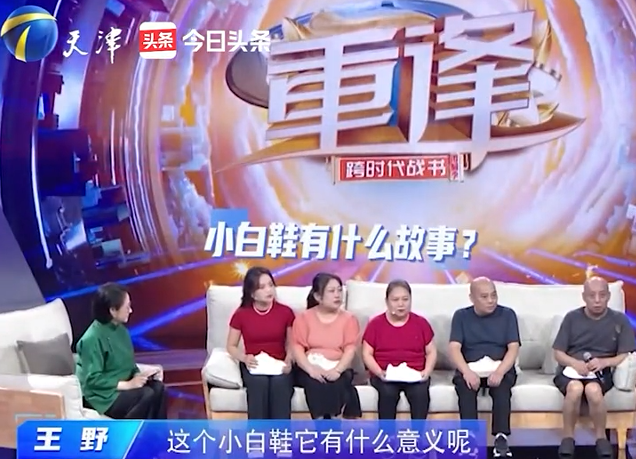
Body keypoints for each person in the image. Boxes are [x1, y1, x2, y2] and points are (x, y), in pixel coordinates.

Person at [552, 276, 636, 458]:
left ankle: (601, 439)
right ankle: (568, 438)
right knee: (574, 389)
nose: (597, 300)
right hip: (571, 370)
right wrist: (574, 363)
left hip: (600, 372)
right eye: (592, 296)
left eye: (602, 295)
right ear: (584, 297)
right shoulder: (572, 318)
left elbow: (625, 354)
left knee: (593, 390)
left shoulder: (619, 320)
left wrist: (605, 362)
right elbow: (558, 353)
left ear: (608, 296)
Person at [448, 277, 520, 458]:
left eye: (494, 295)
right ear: (472, 298)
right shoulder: (461, 316)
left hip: (499, 366)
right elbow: (454, 348)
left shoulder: (508, 315)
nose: (491, 301)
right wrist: (466, 372)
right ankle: (470, 438)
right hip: (471, 367)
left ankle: (501, 438)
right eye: (485, 296)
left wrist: (500, 371)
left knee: (502, 388)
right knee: (465, 387)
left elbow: (513, 347)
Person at [76, 283, 167, 419]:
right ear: (113, 310)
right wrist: (128, 385)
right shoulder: (91, 339)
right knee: (146, 395)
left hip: (123, 385)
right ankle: (130, 432)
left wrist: (140, 375)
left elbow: (128, 363)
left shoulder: (121, 330)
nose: (130, 310)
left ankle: (158, 431)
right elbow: (93, 380)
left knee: (159, 388)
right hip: (102, 396)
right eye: (127, 307)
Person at [226, 266, 295, 419]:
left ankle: (280, 434)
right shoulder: (241, 315)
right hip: (254, 364)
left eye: (271, 285)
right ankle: (258, 433)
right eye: (262, 287)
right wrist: (245, 358)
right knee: (259, 384)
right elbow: (231, 346)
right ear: (252, 293)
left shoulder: (286, 312)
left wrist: (289, 360)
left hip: (280, 364)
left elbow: (291, 343)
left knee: (280, 384)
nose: (269, 290)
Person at [362, 279, 437, 419]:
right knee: (388, 393)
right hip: (385, 374)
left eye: (405, 299)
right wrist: (379, 372)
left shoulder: (421, 323)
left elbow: (431, 351)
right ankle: (387, 432)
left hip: (415, 374)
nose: (401, 304)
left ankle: (417, 432)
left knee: (420, 394)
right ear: (387, 301)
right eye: (395, 300)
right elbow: (367, 353)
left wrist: (426, 372)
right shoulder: (376, 324)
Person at [291, 273, 362, 419]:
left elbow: (350, 349)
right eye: (331, 291)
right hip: (310, 367)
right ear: (318, 296)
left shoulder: (349, 319)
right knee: (315, 382)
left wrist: (337, 370)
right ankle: (321, 423)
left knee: (337, 382)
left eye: (339, 290)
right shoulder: (304, 318)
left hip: (338, 367)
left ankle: (333, 421)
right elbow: (297, 348)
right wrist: (311, 370)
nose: (337, 295)